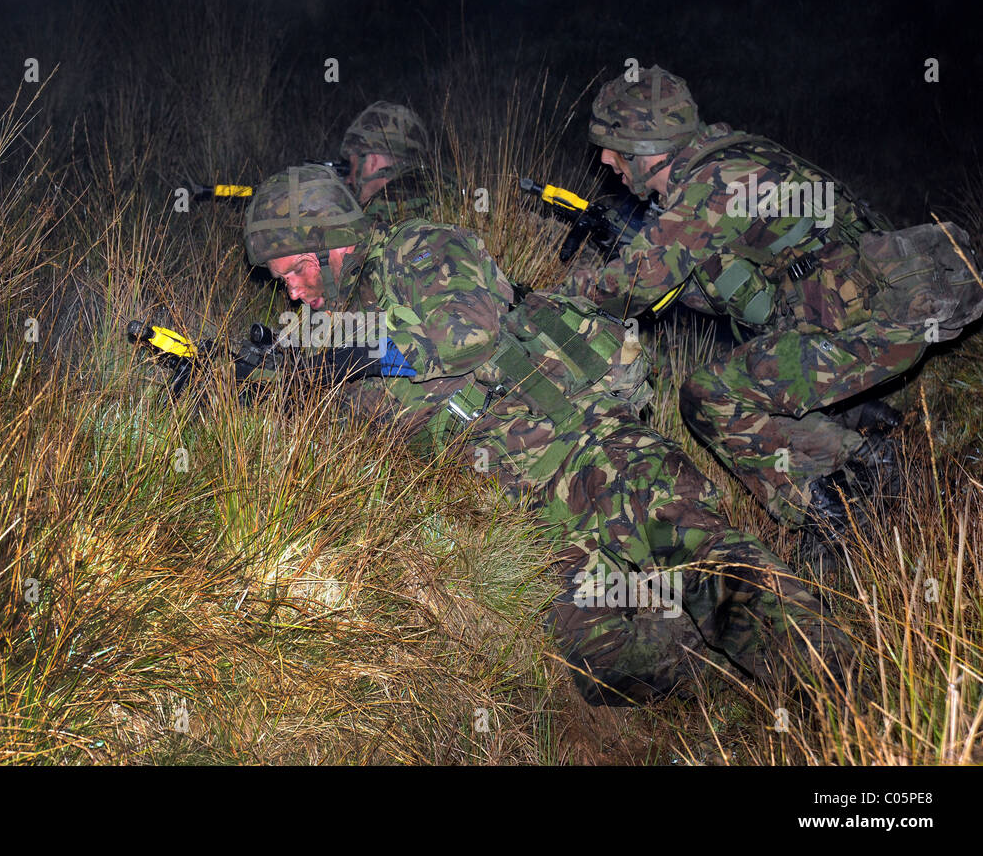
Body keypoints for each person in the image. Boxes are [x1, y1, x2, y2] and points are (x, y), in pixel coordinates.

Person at [242, 163, 853, 705]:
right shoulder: (330, 325)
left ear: (334, 243)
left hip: (590, 448)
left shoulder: (418, 250)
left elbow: (468, 335)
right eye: (280, 281)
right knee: (614, 671)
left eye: (296, 270)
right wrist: (257, 380)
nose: (292, 291)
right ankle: (699, 654)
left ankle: (852, 691)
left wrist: (349, 354)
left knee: (704, 559)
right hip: (522, 511)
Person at [566, 65, 983, 538]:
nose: (603, 157)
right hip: (874, 314)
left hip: (875, 329)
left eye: (613, 146)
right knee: (761, 358)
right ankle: (871, 438)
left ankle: (832, 517)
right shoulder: (734, 151)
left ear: (645, 147)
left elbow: (627, 289)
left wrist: (557, 294)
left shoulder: (713, 185)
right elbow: (725, 284)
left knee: (708, 396)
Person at [339, 101, 460, 225]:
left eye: (351, 166)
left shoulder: (386, 205)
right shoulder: (452, 185)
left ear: (372, 162)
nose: (348, 180)